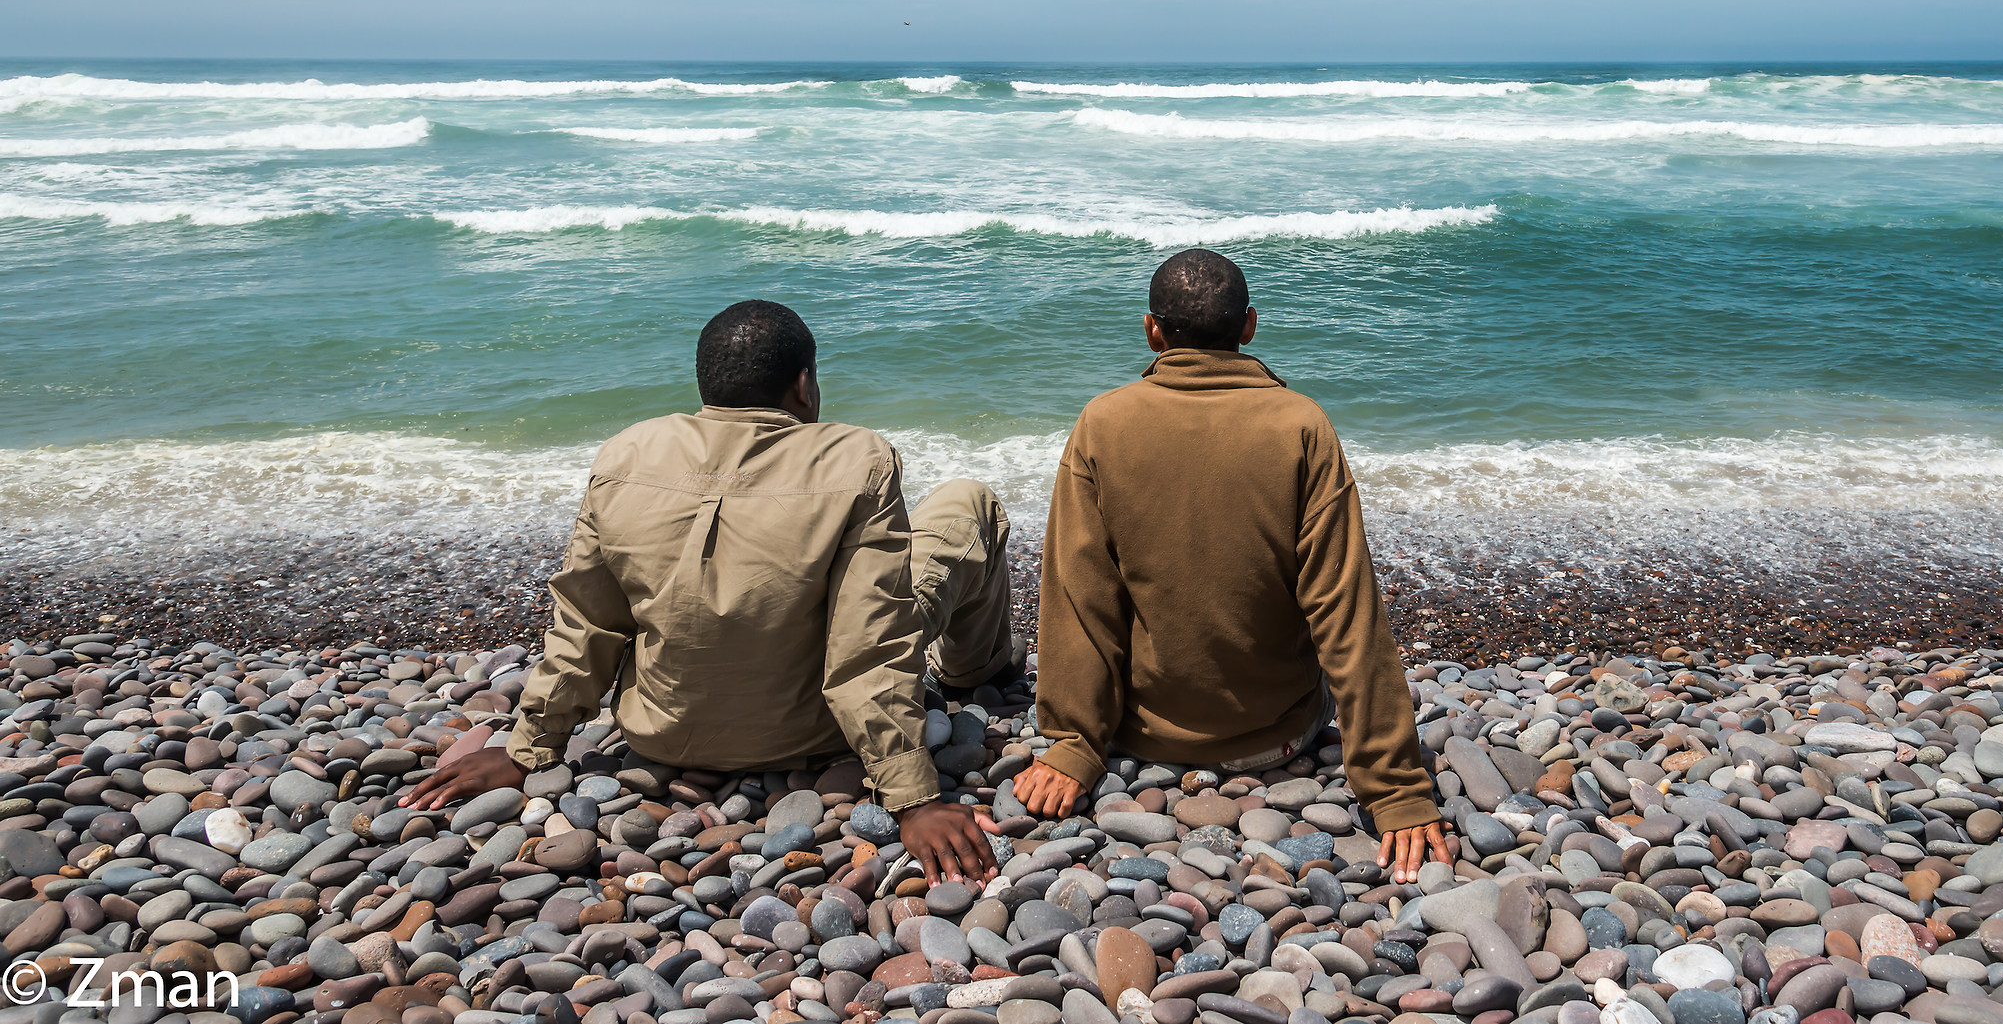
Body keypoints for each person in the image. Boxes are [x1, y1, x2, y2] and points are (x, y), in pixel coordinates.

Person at [405, 299, 1010, 884]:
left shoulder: (628, 453)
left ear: (706, 386)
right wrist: (912, 798)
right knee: (967, 501)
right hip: (811, 734)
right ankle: (974, 672)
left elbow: (588, 621)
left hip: (662, 734)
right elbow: (868, 641)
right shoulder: (857, 458)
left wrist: (527, 749)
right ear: (804, 385)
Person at [1014, 249, 1454, 881]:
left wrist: (1073, 746)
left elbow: (1080, 597)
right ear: (1249, 325)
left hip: (1142, 736)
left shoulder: (1102, 423)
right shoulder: (1302, 425)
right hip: (1277, 736)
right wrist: (1395, 790)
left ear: (1152, 331)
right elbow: (1344, 610)